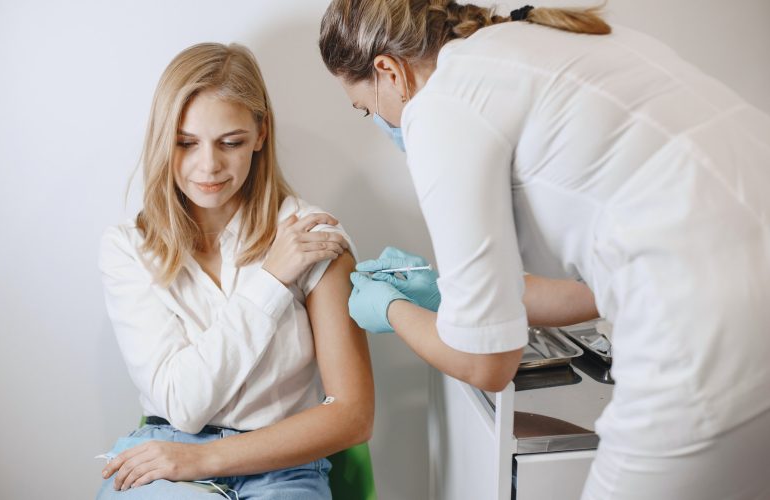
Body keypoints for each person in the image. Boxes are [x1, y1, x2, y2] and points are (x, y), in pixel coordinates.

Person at [319, 1, 770, 498]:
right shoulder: (545, 40)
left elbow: (488, 365)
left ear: (389, 71)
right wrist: (448, 294)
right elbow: (597, 289)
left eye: (366, 108)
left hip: (711, 332)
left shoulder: (441, 102)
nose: (379, 122)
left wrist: (393, 308)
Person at [96, 42, 374, 499]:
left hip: (283, 467)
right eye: (186, 143)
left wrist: (205, 459)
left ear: (261, 135)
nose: (209, 166)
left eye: (231, 142)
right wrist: (270, 283)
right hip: (165, 453)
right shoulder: (128, 248)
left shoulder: (311, 237)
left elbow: (353, 415)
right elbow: (182, 406)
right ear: (163, 138)